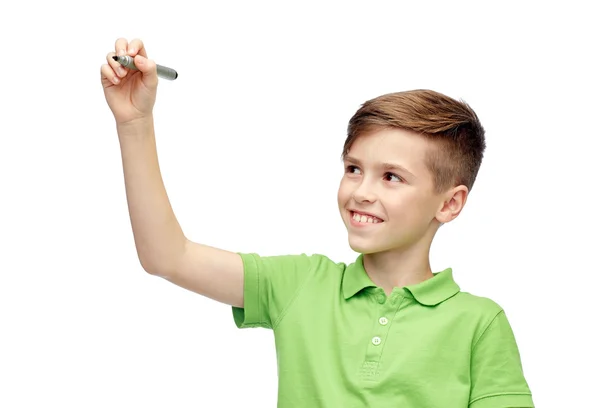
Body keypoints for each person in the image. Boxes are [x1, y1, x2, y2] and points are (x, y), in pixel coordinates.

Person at [101, 38, 534, 407]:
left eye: (391, 177)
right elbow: (167, 255)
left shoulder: (480, 323)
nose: (362, 190)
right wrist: (135, 122)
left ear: (450, 204)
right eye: (353, 168)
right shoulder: (301, 285)